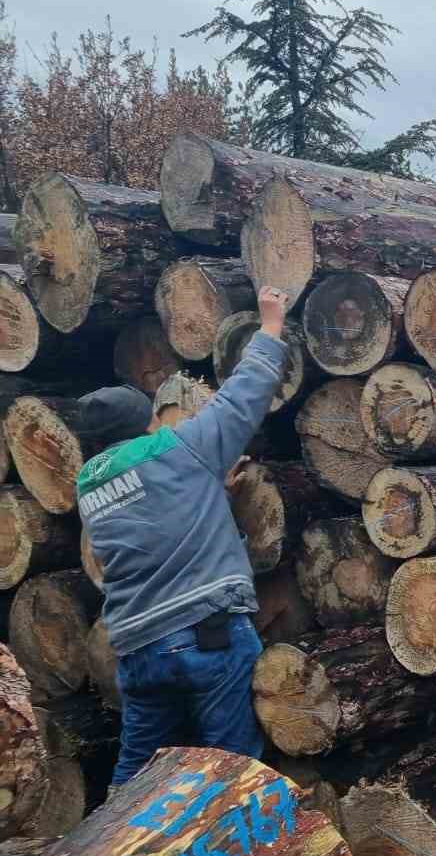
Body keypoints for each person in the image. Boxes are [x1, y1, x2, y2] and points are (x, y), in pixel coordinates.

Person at [77, 286, 293, 787]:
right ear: (145, 422)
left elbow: (152, 517)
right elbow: (246, 394)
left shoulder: (88, 485)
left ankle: (113, 853)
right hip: (206, 631)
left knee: (137, 775)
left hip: (136, 648)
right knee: (232, 768)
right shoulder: (179, 450)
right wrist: (270, 326)